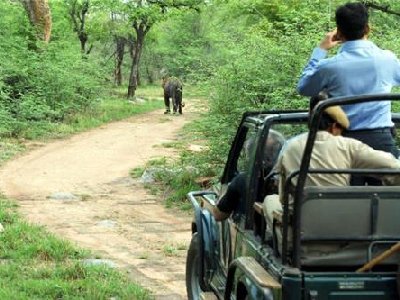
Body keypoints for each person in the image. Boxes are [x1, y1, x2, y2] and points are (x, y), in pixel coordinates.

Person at [263, 96, 400, 251]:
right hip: (341, 233)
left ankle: (278, 247)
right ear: (335, 126)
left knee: (270, 200)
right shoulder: (348, 146)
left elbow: (284, 199)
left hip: (302, 237)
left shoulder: (290, 147)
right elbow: (393, 167)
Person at [297, 2, 400, 173]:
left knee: (345, 198)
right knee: (389, 197)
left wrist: (320, 50)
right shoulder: (387, 60)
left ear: (339, 32)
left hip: (341, 142)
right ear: (368, 28)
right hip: (380, 142)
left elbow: (304, 88)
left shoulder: (328, 67)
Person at [211, 130, 285, 221]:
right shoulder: (292, 178)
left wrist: (223, 195)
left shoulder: (243, 180)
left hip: (252, 232)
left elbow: (218, 215)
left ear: (251, 155)